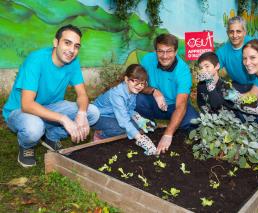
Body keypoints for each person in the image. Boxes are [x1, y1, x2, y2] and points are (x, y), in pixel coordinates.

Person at [2, 25, 100, 168]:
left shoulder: (72, 62)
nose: (72, 50)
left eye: (76, 46)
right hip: (20, 111)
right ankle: (26, 145)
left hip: (50, 107)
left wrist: (81, 113)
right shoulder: (36, 60)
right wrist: (63, 119)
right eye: (67, 43)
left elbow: (82, 95)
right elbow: (27, 104)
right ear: (56, 42)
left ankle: (52, 136)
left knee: (92, 113)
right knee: (34, 127)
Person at [135, 33, 199, 154]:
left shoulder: (183, 70)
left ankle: (174, 127)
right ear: (155, 51)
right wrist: (154, 91)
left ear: (175, 52)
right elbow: (136, 85)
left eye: (169, 51)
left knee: (193, 121)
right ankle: (149, 125)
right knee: (137, 99)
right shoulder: (147, 60)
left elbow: (181, 105)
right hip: (154, 104)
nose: (164, 56)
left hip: (175, 106)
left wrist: (168, 134)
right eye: (160, 51)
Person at [217, 15, 258, 128]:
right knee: (229, 101)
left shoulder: (254, 44)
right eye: (231, 32)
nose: (235, 35)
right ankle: (242, 126)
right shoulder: (222, 51)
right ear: (227, 33)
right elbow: (214, 68)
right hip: (238, 85)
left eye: (238, 31)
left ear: (244, 32)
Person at [92, 64, 157, 155]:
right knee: (121, 129)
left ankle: (108, 131)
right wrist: (141, 139)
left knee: (136, 127)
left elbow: (129, 110)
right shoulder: (117, 94)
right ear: (126, 79)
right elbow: (124, 121)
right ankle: (100, 134)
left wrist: (140, 120)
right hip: (99, 117)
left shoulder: (133, 91)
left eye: (142, 83)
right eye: (136, 82)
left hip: (115, 115)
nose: (139, 86)